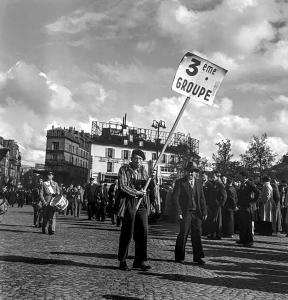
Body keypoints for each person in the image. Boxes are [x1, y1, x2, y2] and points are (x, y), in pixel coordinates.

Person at [117, 149, 156, 271]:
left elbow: (149, 186)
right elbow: (123, 187)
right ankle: (122, 260)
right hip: (129, 202)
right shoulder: (124, 169)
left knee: (143, 232)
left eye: (140, 159)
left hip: (142, 204)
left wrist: (152, 178)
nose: (138, 161)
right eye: (136, 158)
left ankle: (140, 260)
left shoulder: (143, 171)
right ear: (131, 159)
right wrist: (137, 192)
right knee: (127, 231)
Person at [174, 161, 207, 265]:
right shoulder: (180, 182)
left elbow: (202, 199)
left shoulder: (198, 183)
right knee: (183, 234)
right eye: (189, 171)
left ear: (195, 173)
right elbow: (175, 198)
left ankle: (198, 257)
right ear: (186, 172)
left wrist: (204, 211)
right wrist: (179, 211)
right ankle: (179, 256)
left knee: (197, 235)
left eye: (193, 172)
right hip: (185, 212)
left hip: (196, 213)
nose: (190, 173)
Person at [236, 170, 260, 247]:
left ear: (244, 176)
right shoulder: (242, 184)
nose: (239, 177)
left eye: (240, 176)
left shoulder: (249, 183)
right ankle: (243, 239)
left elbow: (257, 192)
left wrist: (253, 201)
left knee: (247, 224)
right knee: (242, 224)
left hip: (247, 206)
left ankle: (249, 240)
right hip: (242, 206)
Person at [206, 170, 227, 240]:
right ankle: (212, 234)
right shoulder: (212, 184)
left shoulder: (220, 184)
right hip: (211, 205)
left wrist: (221, 204)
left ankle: (218, 235)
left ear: (217, 176)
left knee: (217, 221)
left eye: (213, 176)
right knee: (212, 220)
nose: (212, 177)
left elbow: (224, 196)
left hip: (217, 205)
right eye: (211, 176)